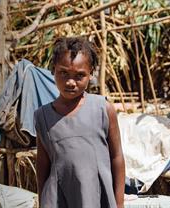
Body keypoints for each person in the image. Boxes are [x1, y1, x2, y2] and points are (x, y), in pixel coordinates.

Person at [34, 37, 125, 208]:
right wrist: (42, 201)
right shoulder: (43, 116)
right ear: (53, 70)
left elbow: (117, 157)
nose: (70, 82)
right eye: (63, 73)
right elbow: (43, 165)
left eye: (79, 76)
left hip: (96, 197)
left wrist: (119, 204)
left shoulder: (103, 109)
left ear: (90, 73)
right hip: (59, 198)